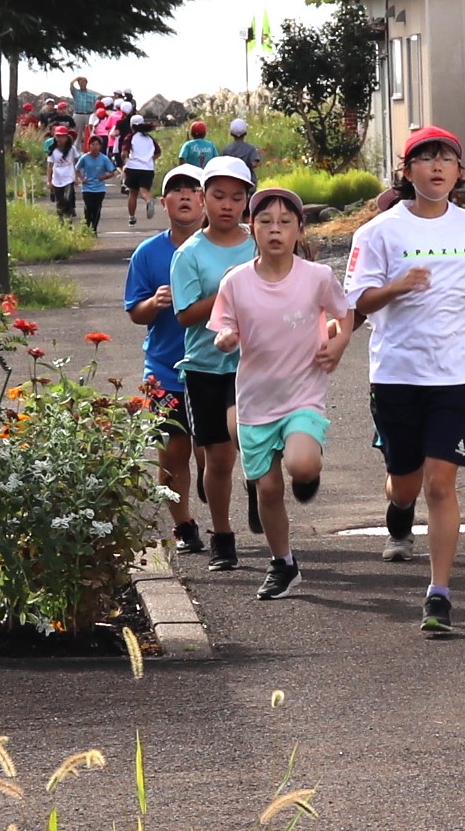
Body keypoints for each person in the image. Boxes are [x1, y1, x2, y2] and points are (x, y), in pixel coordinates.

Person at [343, 125, 465, 635]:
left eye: (446, 159)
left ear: (460, 173)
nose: (436, 167)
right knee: (405, 480)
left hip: (458, 370)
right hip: (397, 371)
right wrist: (397, 286)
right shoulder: (378, 232)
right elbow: (358, 304)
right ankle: (397, 506)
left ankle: (439, 594)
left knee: (441, 481)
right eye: (425, 159)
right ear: (407, 171)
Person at [209, 186, 352, 600]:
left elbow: (346, 314)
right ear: (251, 228)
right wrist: (225, 339)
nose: (275, 230)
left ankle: (308, 469)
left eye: (285, 222)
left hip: (302, 395)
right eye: (266, 222)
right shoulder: (235, 282)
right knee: (268, 490)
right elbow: (224, 327)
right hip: (255, 401)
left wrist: (338, 346)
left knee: (303, 465)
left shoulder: (317, 277)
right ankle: (283, 563)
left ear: (299, 230)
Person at [169, 156, 259, 571]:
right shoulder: (189, 253)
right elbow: (185, 314)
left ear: (247, 201)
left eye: (237, 197)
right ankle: (222, 536)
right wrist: (229, 288)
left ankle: (260, 484)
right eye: (218, 196)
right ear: (204, 199)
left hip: (255, 362)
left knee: (246, 436)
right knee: (217, 458)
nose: (227, 205)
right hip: (205, 366)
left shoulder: (260, 241)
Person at [125, 164, 210, 554]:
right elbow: (134, 312)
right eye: (176, 190)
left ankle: (216, 482)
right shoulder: (148, 253)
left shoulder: (230, 247)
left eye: (194, 189)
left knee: (211, 452)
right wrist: (154, 303)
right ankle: (184, 524)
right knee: (174, 452)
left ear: (205, 200)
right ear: (164, 202)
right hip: (166, 370)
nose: (186, 196)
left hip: (217, 367)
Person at [121, 114, 161, 225]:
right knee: (144, 191)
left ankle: (132, 217)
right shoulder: (150, 138)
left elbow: (124, 153)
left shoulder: (130, 137)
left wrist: (126, 161)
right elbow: (158, 153)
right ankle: (149, 200)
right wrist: (148, 159)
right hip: (148, 169)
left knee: (133, 193)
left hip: (133, 167)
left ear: (131, 126)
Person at [74, 134, 118, 231]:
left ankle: (94, 229)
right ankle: (87, 226)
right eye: (92, 144)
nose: (95, 147)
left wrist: (105, 177)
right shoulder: (84, 158)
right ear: (89, 146)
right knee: (88, 207)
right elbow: (77, 169)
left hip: (99, 188)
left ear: (100, 147)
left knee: (97, 208)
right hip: (87, 187)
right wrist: (81, 178)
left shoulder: (104, 158)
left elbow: (112, 172)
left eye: (97, 145)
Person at [45, 125, 79, 219]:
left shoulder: (72, 149)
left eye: (63, 136)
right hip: (57, 179)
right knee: (59, 201)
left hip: (69, 177)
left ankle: (69, 215)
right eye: (58, 136)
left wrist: (77, 176)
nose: (60, 139)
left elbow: (77, 163)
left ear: (67, 137)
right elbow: (50, 166)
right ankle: (60, 218)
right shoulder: (53, 151)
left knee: (67, 198)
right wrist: (49, 181)